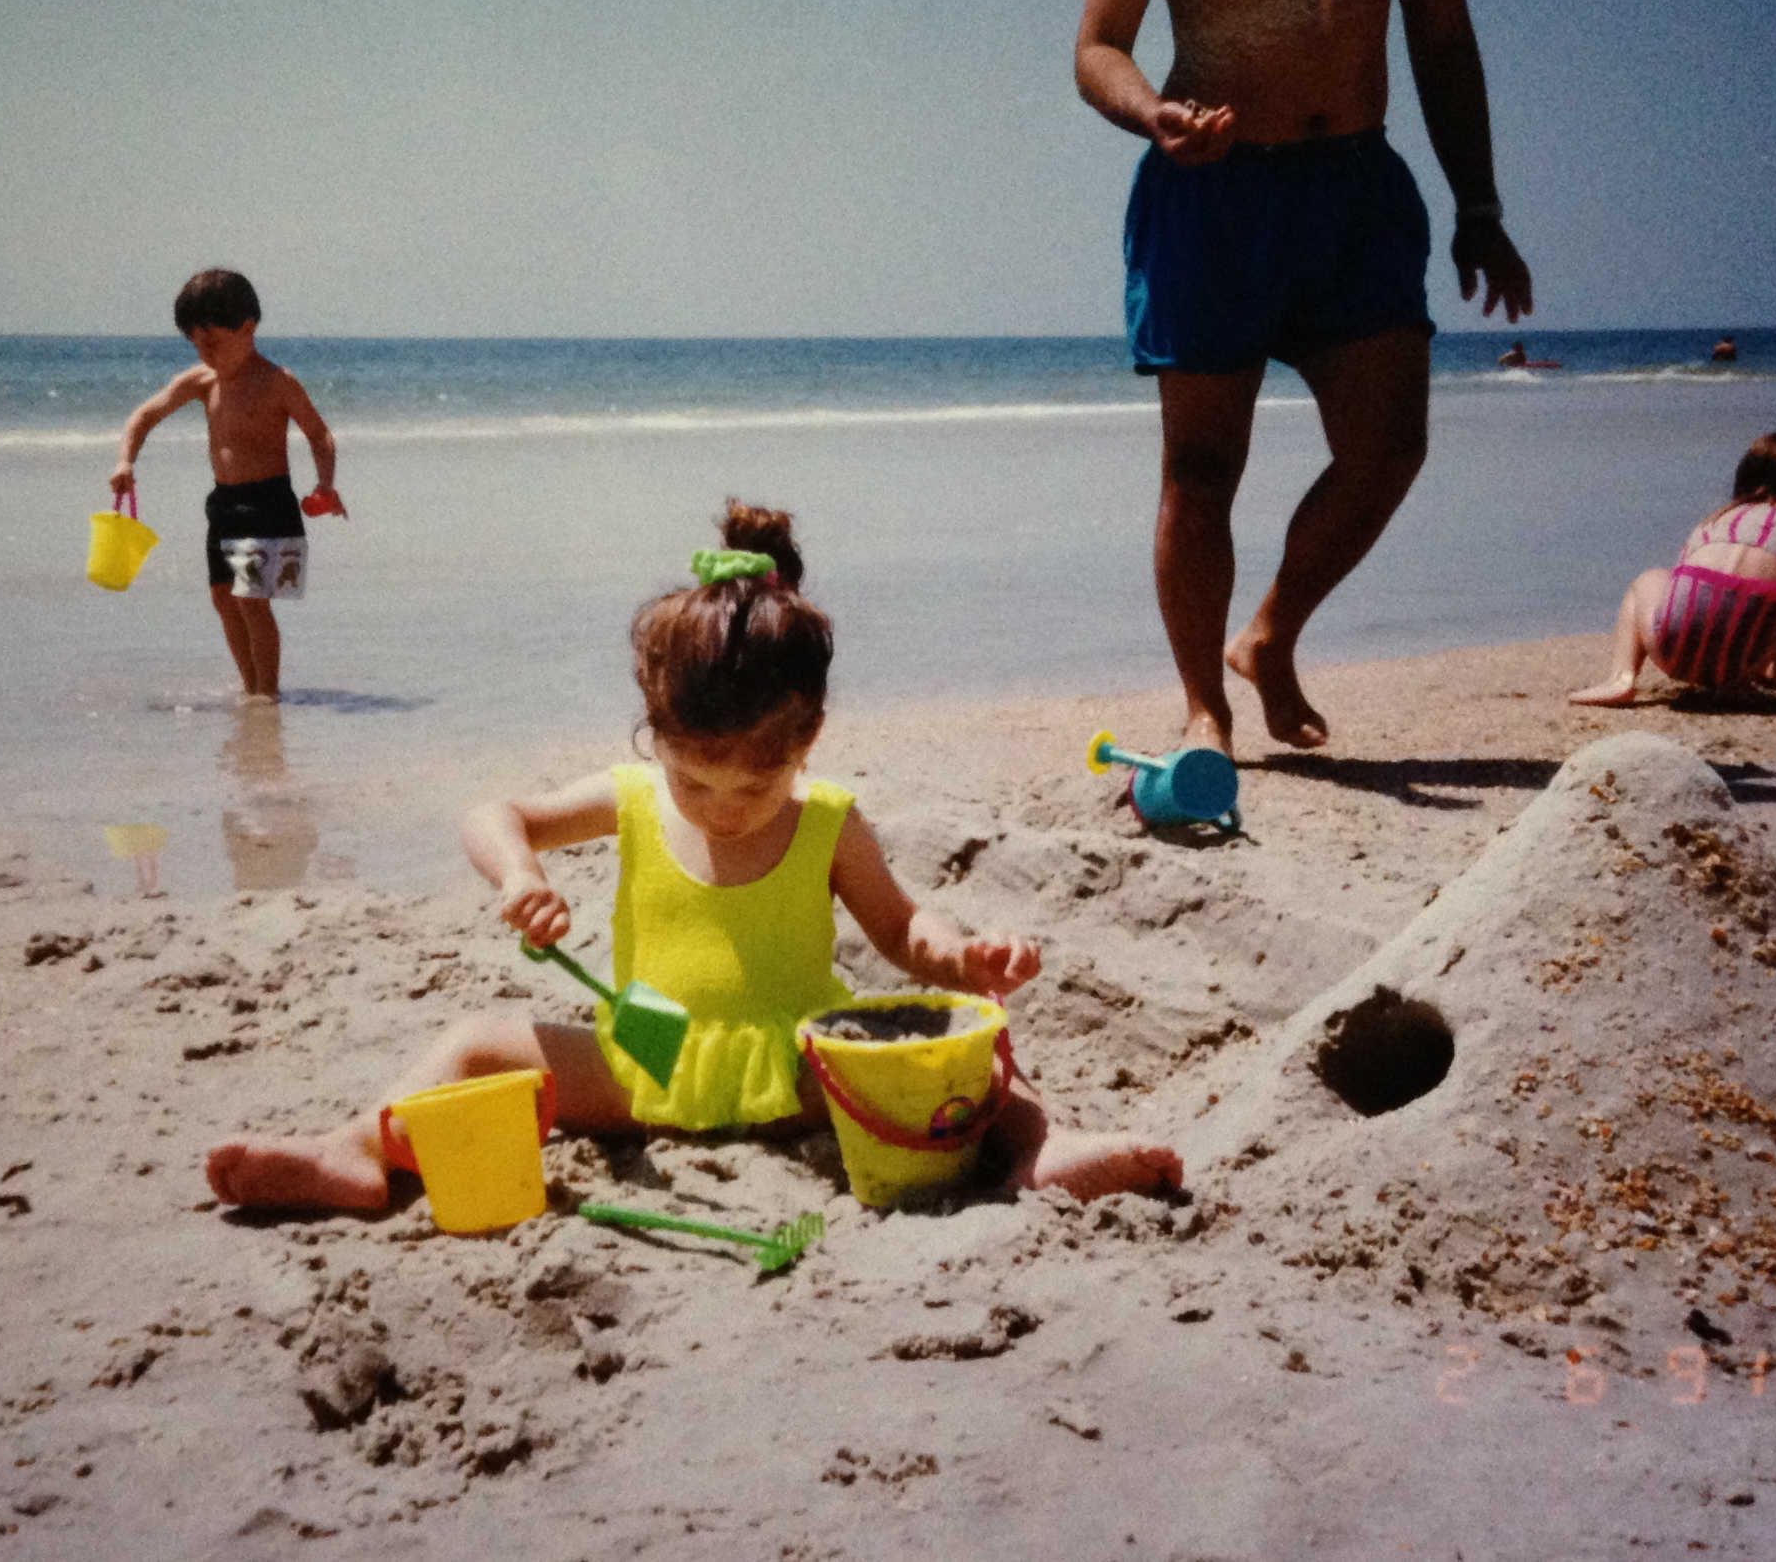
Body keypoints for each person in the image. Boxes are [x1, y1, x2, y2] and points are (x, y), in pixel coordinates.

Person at [204, 503, 1186, 1212]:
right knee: (471, 1042)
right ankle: (350, 1152)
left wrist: (962, 956)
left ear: (807, 741)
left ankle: (1044, 1150)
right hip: (645, 1064)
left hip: (802, 1069)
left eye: (753, 786)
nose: (721, 807)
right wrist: (519, 875)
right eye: (693, 779)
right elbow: (495, 812)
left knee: (985, 1076)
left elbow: (903, 930)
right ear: (653, 733)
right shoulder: (630, 797)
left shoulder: (827, 819)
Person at [1076, 0, 1533, 754]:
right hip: (1210, 192)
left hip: (1355, 188)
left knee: (1387, 450)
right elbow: (1097, 47)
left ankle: (1271, 636)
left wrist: (1477, 202)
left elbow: (1441, 35)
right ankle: (1204, 708)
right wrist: (1150, 115)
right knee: (1201, 472)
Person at [110, 269, 342, 704]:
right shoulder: (202, 381)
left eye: (212, 342)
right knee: (222, 597)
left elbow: (319, 434)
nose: (204, 353)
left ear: (248, 328)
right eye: (196, 344)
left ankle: (266, 695)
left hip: (268, 501)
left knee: (252, 601)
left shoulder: (277, 382)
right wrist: (126, 460)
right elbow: (144, 415)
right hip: (224, 504)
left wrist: (325, 484)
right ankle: (250, 685)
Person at [1566, 428, 1776, 706]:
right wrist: (1770, 677)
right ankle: (1746, 674)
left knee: (1649, 580)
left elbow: (1682, 598)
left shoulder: (1715, 522)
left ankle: (1621, 679)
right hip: (1744, 664)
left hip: (1670, 652)